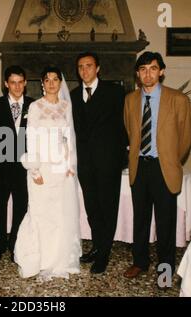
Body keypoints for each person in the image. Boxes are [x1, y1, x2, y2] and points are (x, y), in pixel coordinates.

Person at [123, 52, 191, 282]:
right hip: (140, 168)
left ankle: (165, 270)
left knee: (165, 223)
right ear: (137, 73)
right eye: (143, 69)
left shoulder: (178, 99)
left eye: (153, 68)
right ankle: (140, 262)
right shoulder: (130, 100)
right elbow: (130, 131)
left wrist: (171, 160)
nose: (147, 74)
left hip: (164, 168)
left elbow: (185, 137)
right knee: (140, 220)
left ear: (161, 71)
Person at [14, 66, 81, 280]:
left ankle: (60, 259)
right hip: (41, 169)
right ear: (42, 83)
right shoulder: (35, 107)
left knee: (60, 215)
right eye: (48, 79)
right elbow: (30, 139)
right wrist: (34, 170)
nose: (52, 83)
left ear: (61, 83)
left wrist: (71, 165)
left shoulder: (66, 107)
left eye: (55, 79)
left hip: (62, 169)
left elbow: (69, 137)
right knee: (41, 213)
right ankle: (39, 260)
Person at [70, 52, 127, 274]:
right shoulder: (73, 95)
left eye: (89, 66)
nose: (85, 70)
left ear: (98, 68)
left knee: (107, 208)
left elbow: (124, 127)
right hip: (85, 165)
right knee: (92, 209)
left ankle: (104, 254)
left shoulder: (115, 92)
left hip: (107, 163)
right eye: (81, 67)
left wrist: (120, 157)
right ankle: (97, 246)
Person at [0, 66, 34, 262]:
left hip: (24, 169)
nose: (17, 86)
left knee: (21, 208)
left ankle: (15, 244)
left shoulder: (34, 105)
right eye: (13, 82)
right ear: (6, 84)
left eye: (20, 82)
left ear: (26, 83)